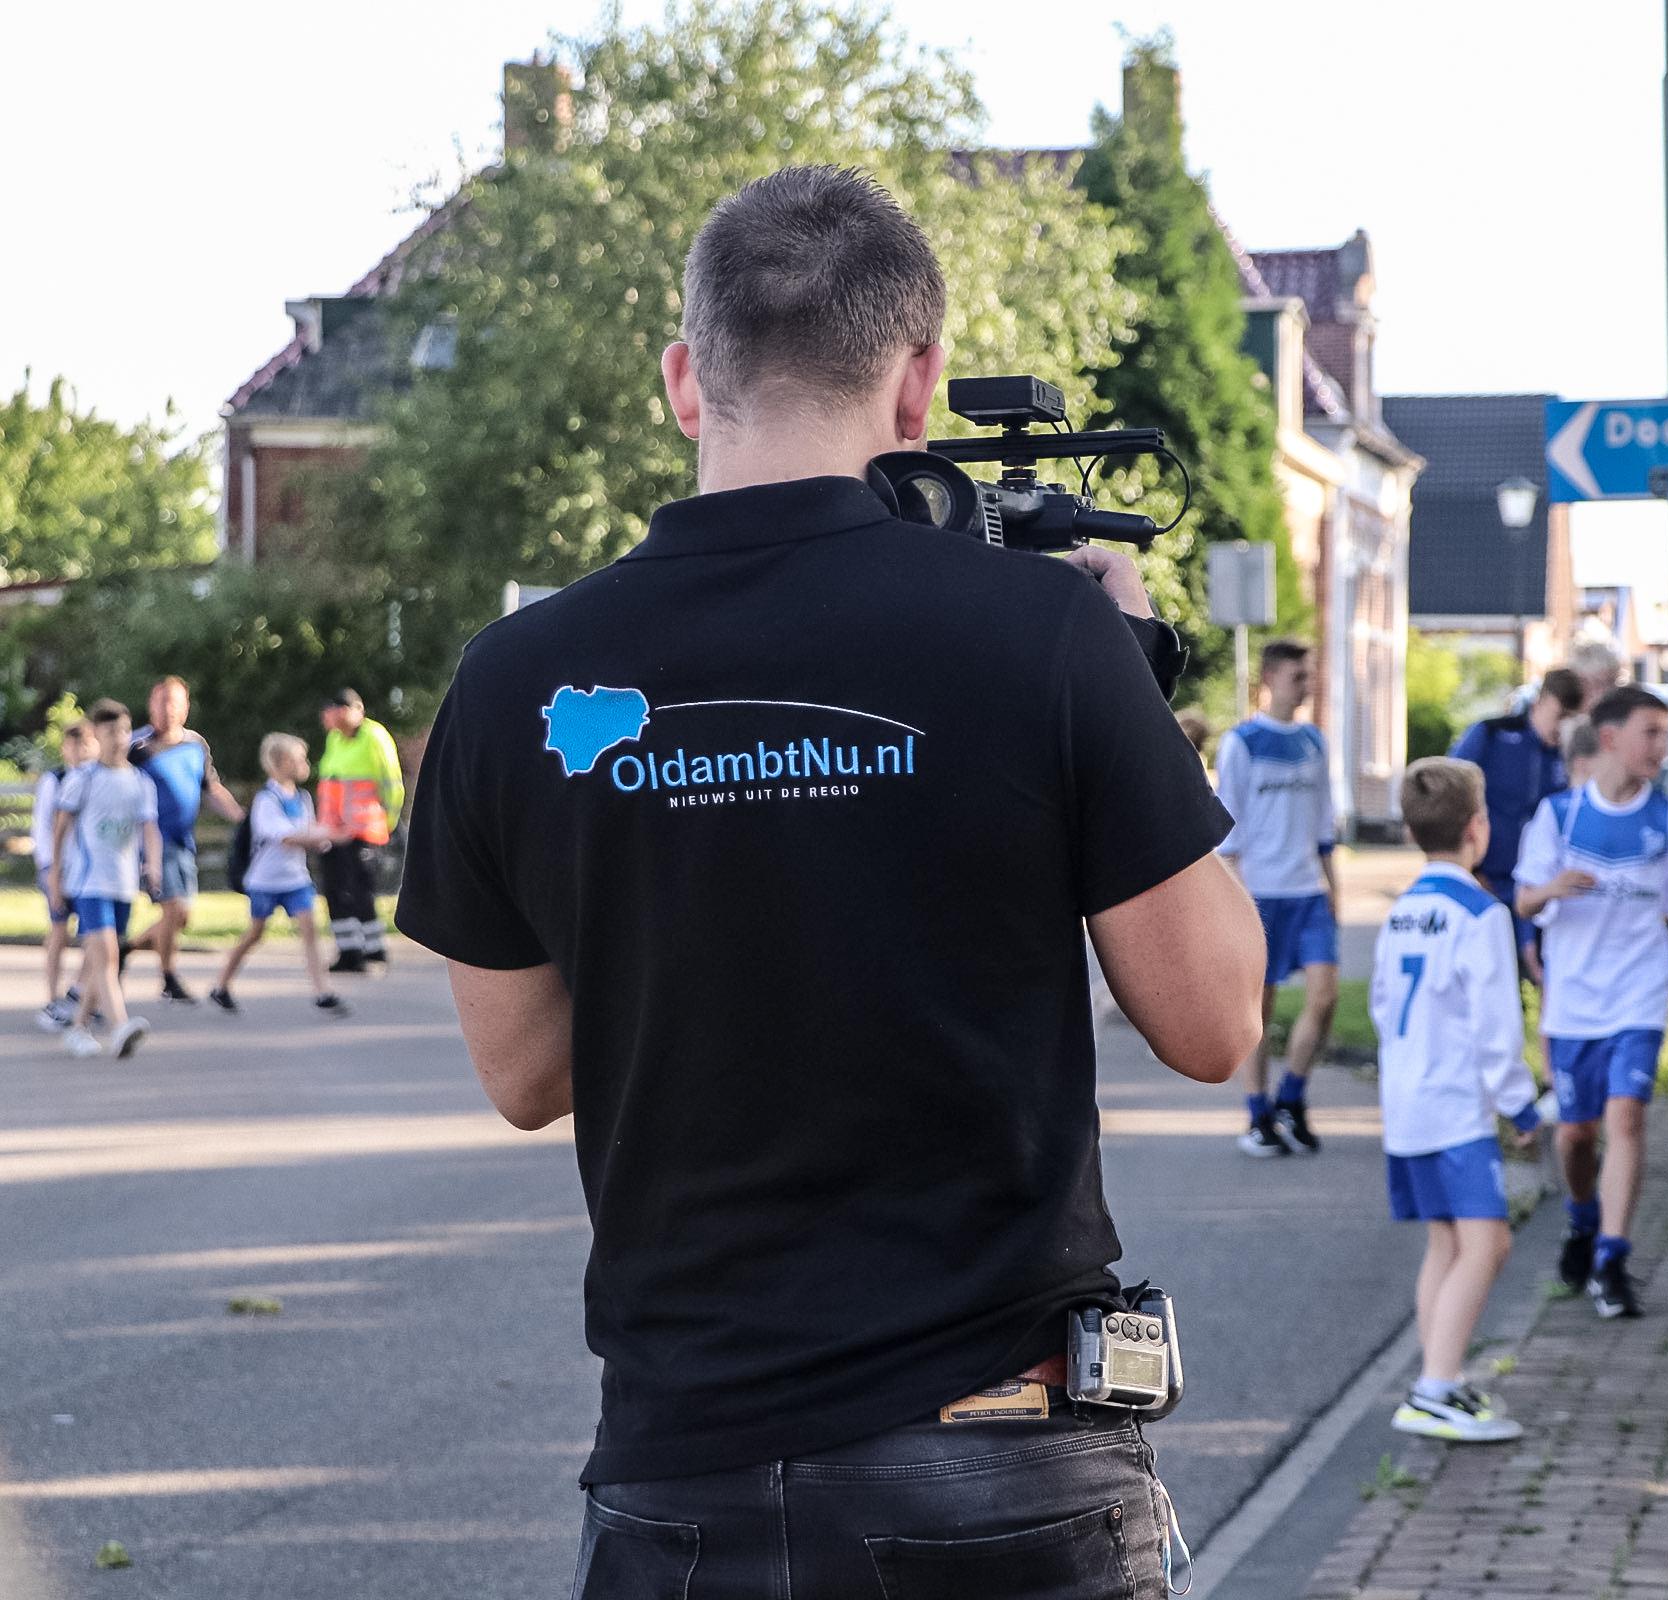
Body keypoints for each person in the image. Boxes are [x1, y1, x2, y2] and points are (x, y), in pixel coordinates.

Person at [393, 165, 1262, 1598]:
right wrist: (1130, 685)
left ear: (685, 382)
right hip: (998, 1463)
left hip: (685, 1477)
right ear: (917, 387)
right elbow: (1216, 1022)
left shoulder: (516, 681)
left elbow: (527, 1075)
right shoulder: (1044, 635)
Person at [1515, 688, 1668, 1318]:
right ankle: (1582, 1219)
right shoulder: (1560, 816)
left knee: (1626, 1118)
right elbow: (1523, 901)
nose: (1662, 746)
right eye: (1650, 732)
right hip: (1574, 1000)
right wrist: (1552, 888)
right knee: (1576, 1135)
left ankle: (1612, 1259)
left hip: (1638, 994)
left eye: (1665, 733)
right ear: (1609, 738)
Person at [1374, 757, 1542, 1443]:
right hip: (1453, 1106)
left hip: (1406, 1101)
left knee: (1445, 1242)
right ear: (1479, 827)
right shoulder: (1481, 913)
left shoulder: (1401, 912)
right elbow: (1497, 1026)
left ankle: (1435, 1377)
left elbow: (1383, 1007)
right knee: (1488, 1243)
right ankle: (1435, 1389)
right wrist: (1520, 1105)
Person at [1217, 638, 1341, 1157]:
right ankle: (1257, 1114)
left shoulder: (1314, 741)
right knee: (1259, 1013)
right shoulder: (1241, 743)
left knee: (1325, 996)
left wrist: (1335, 890)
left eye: (1309, 675)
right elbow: (1228, 834)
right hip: (1261, 894)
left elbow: (1325, 825)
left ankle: (1291, 1096)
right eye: (1297, 676)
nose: (1306, 685)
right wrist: (1237, 904)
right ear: (1270, 678)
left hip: (1308, 890)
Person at [1449, 665, 1586, 959]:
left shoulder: (1574, 757)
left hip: (1543, 889)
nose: (1562, 727)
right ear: (1540, 702)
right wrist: (1470, 868)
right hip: (1488, 879)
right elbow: (1450, 795)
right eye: (1559, 716)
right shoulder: (1493, 734)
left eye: (1571, 720)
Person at [209, 734, 349, 1019]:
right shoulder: (266, 799)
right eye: (299, 759)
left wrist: (325, 837)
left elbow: (310, 831)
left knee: (309, 931)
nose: (304, 764)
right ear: (282, 762)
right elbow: (283, 836)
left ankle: (322, 992)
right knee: (255, 933)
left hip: (296, 878)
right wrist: (325, 835)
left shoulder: (303, 798)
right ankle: (221, 984)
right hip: (266, 880)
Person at [121, 676, 243, 1004]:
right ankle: (169, 978)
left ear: (186, 707)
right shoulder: (136, 747)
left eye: (174, 702)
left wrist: (241, 818)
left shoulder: (195, 744)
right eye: (162, 702)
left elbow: (211, 788)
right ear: (151, 705)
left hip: (182, 841)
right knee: (172, 908)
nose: (168, 709)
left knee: (181, 917)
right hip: (152, 842)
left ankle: (126, 949)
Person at [47, 700, 157, 1061]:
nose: (119, 739)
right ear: (96, 735)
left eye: (124, 731)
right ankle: (119, 1025)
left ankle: (78, 1028)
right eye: (111, 732)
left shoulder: (140, 781)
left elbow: (149, 828)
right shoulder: (83, 778)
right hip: (89, 882)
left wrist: (153, 865)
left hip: (122, 883)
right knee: (107, 954)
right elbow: (60, 830)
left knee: (102, 959)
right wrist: (55, 875)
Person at [318, 688, 407, 974]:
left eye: (337, 710)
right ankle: (349, 951)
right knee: (336, 891)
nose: (329, 717)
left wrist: (388, 823)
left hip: (364, 830)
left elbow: (391, 783)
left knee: (360, 890)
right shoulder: (335, 739)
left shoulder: (374, 736)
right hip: (334, 831)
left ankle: (373, 949)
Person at [32, 719, 96, 1032]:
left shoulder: (98, 778)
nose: (80, 751)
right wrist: (51, 871)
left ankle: (81, 991)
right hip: (58, 867)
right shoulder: (54, 780)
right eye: (74, 745)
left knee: (96, 933)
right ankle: (52, 997)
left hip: (88, 869)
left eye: (86, 744)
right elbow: (44, 828)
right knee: (59, 929)